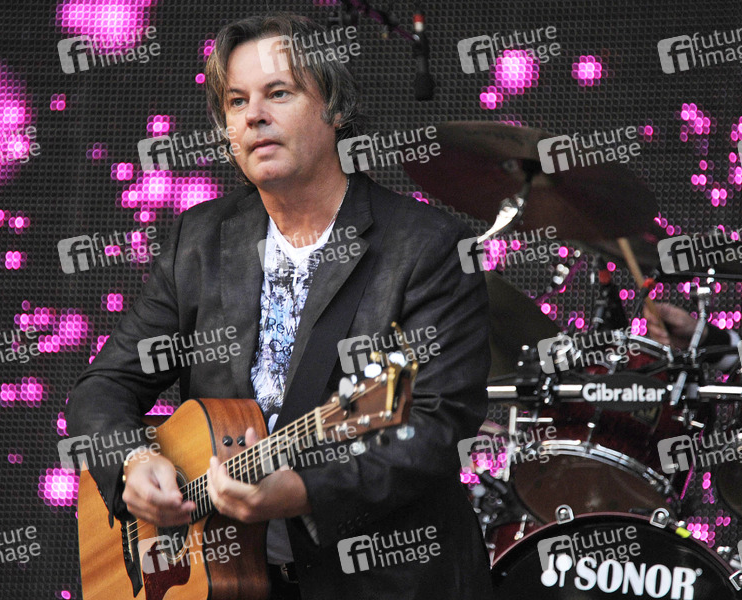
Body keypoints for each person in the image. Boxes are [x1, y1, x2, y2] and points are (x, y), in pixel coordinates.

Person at [66, 13, 493, 600]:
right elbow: (103, 386)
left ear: (335, 108)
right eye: (236, 101)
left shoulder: (426, 247)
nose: (254, 116)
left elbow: (435, 428)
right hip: (229, 581)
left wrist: (304, 490)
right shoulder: (200, 240)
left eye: (279, 93)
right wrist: (133, 461)